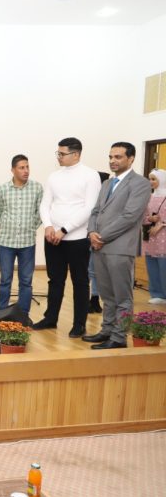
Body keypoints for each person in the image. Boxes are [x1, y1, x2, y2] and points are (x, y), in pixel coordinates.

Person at [83, 142, 151, 350]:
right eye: (111, 157)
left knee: (122, 296)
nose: (113, 161)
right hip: (100, 246)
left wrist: (101, 236)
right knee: (106, 294)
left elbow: (130, 216)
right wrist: (91, 232)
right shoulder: (107, 183)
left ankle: (119, 337)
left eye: (118, 157)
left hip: (120, 247)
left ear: (131, 159)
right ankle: (107, 330)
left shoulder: (140, 183)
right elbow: (95, 211)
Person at [34, 138, 101, 337]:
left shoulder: (90, 176)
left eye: (62, 154)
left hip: (77, 238)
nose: (59, 157)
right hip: (52, 237)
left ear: (76, 154)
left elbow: (90, 208)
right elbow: (45, 204)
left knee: (80, 281)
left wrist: (64, 230)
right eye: (58, 153)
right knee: (55, 280)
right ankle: (50, 318)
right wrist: (48, 226)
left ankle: (79, 324)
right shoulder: (54, 176)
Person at [0, 154, 43, 314]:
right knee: (5, 280)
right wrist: (6, 226)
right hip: (6, 243)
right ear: (13, 170)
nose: (26, 171)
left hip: (28, 242)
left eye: (27, 167)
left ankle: (23, 314)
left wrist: (31, 227)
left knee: (26, 281)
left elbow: (40, 212)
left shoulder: (37, 188)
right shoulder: (2, 189)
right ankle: (2, 314)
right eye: (21, 168)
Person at [141, 169, 166, 304]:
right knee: (152, 265)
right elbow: (143, 216)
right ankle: (157, 294)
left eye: (154, 179)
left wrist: (161, 224)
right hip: (151, 237)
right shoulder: (149, 197)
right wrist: (150, 219)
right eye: (149, 179)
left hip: (163, 237)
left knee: (164, 266)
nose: (151, 182)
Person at [88, 171, 111, 314]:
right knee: (89, 271)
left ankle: (95, 298)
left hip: (101, 238)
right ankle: (88, 299)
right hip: (87, 236)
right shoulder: (89, 196)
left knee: (96, 271)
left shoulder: (108, 197)